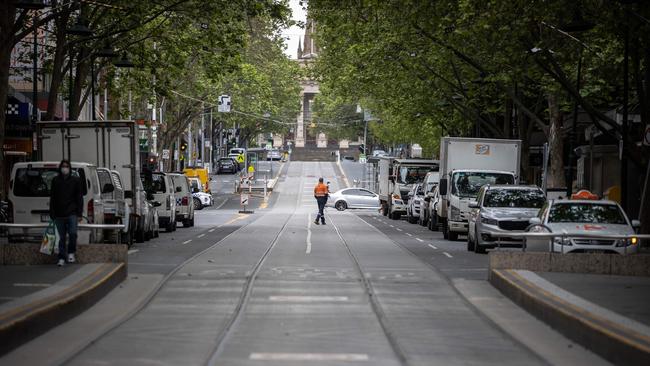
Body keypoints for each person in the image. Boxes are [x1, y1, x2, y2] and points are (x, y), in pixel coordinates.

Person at [49, 160, 83, 267]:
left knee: (73, 233)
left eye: (67, 166)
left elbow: (79, 198)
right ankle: (61, 257)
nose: (65, 168)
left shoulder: (75, 181)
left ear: (70, 168)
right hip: (59, 214)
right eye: (63, 166)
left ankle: (71, 252)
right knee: (61, 238)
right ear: (60, 168)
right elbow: (52, 198)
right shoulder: (55, 180)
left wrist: (79, 213)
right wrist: (52, 213)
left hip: (72, 213)